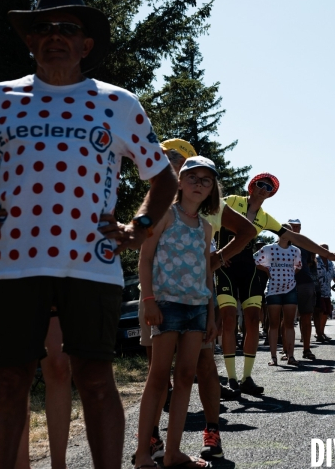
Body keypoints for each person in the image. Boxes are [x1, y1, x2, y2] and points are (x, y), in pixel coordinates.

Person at [0, 0, 176, 467]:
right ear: (30, 40)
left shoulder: (117, 103)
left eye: (67, 29)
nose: (54, 37)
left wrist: (140, 225)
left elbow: (162, 176)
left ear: (86, 44)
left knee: (97, 379)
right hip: (12, 264)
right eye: (43, 29)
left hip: (92, 262)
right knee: (10, 380)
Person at [215, 174, 335, 395]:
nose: (264, 189)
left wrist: (327, 255)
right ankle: (231, 379)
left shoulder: (265, 217)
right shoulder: (231, 201)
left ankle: (246, 377)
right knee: (228, 319)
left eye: (269, 187)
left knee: (254, 321)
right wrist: (214, 254)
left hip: (248, 270)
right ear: (251, 187)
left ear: (270, 194)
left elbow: (297, 239)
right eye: (260, 184)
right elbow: (205, 220)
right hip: (225, 267)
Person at [0, 176, 72, 469]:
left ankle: (59, 465)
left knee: (58, 366)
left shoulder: (61, 174)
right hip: (8, 285)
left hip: (54, 278)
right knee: (17, 376)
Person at [134, 156, 219, 469]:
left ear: (212, 190)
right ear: (179, 181)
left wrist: (211, 316)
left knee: (186, 376)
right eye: (192, 177)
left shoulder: (206, 228)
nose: (198, 184)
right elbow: (145, 259)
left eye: (205, 180)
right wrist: (150, 301)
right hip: (166, 304)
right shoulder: (165, 216)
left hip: (197, 309)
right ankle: (144, 454)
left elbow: (207, 276)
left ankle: (173, 454)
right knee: (159, 377)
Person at [254, 224, 302, 366]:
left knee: (289, 324)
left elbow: (298, 266)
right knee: (274, 324)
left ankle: (291, 355)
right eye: (282, 230)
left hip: (290, 289)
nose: (285, 233)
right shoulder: (268, 248)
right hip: (273, 289)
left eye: (288, 231)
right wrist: (267, 270)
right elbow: (255, 260)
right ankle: (273, 356)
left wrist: (290, 276)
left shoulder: (295, 250)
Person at [289, 219, 319, 360]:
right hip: (285, 283)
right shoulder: (281, 243)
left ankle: (306, 350)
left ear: (300, 228)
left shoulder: (306, 244)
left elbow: (311, 262)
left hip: (305, 282)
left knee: (306, 316)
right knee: (287, 317)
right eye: (291, 226)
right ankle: (287, 351)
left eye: (296, 226)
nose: (294, 229)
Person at [315, 244, 335, 341]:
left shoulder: (330, 262)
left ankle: (322, 331)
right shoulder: (315, 260)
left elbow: (334, 275)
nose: (325, 250)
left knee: (326, 312)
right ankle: (318, 333)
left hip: (327, 291)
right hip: (318, 290)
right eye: (323, 249)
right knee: (319, 311)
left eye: (327, 249)